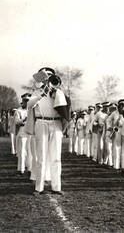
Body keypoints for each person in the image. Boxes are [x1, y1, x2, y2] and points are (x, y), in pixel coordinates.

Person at [27, 67, 69, 195]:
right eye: (45, 76)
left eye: (50, 76)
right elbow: (29, 105)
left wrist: (55, 91)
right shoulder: (37, 92)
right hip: (41, 122)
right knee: (41, 156)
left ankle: (56, 187)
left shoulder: (58, 92)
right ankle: (39, 187)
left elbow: (64, 108)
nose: (48, 79)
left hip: (56, 123)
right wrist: (42, 94)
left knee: (56, 157)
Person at [15, 93, 32, 175]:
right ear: (22, 101)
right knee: (22, 151)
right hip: (23, 130)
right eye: (25, 101)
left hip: (31, 131)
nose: (26, 102)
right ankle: (21, 169)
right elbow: (16, 122)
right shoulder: (18, 111)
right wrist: (24, 120)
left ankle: (30, 168)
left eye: (28, 101)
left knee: (30, 151)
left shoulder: (31, 110)